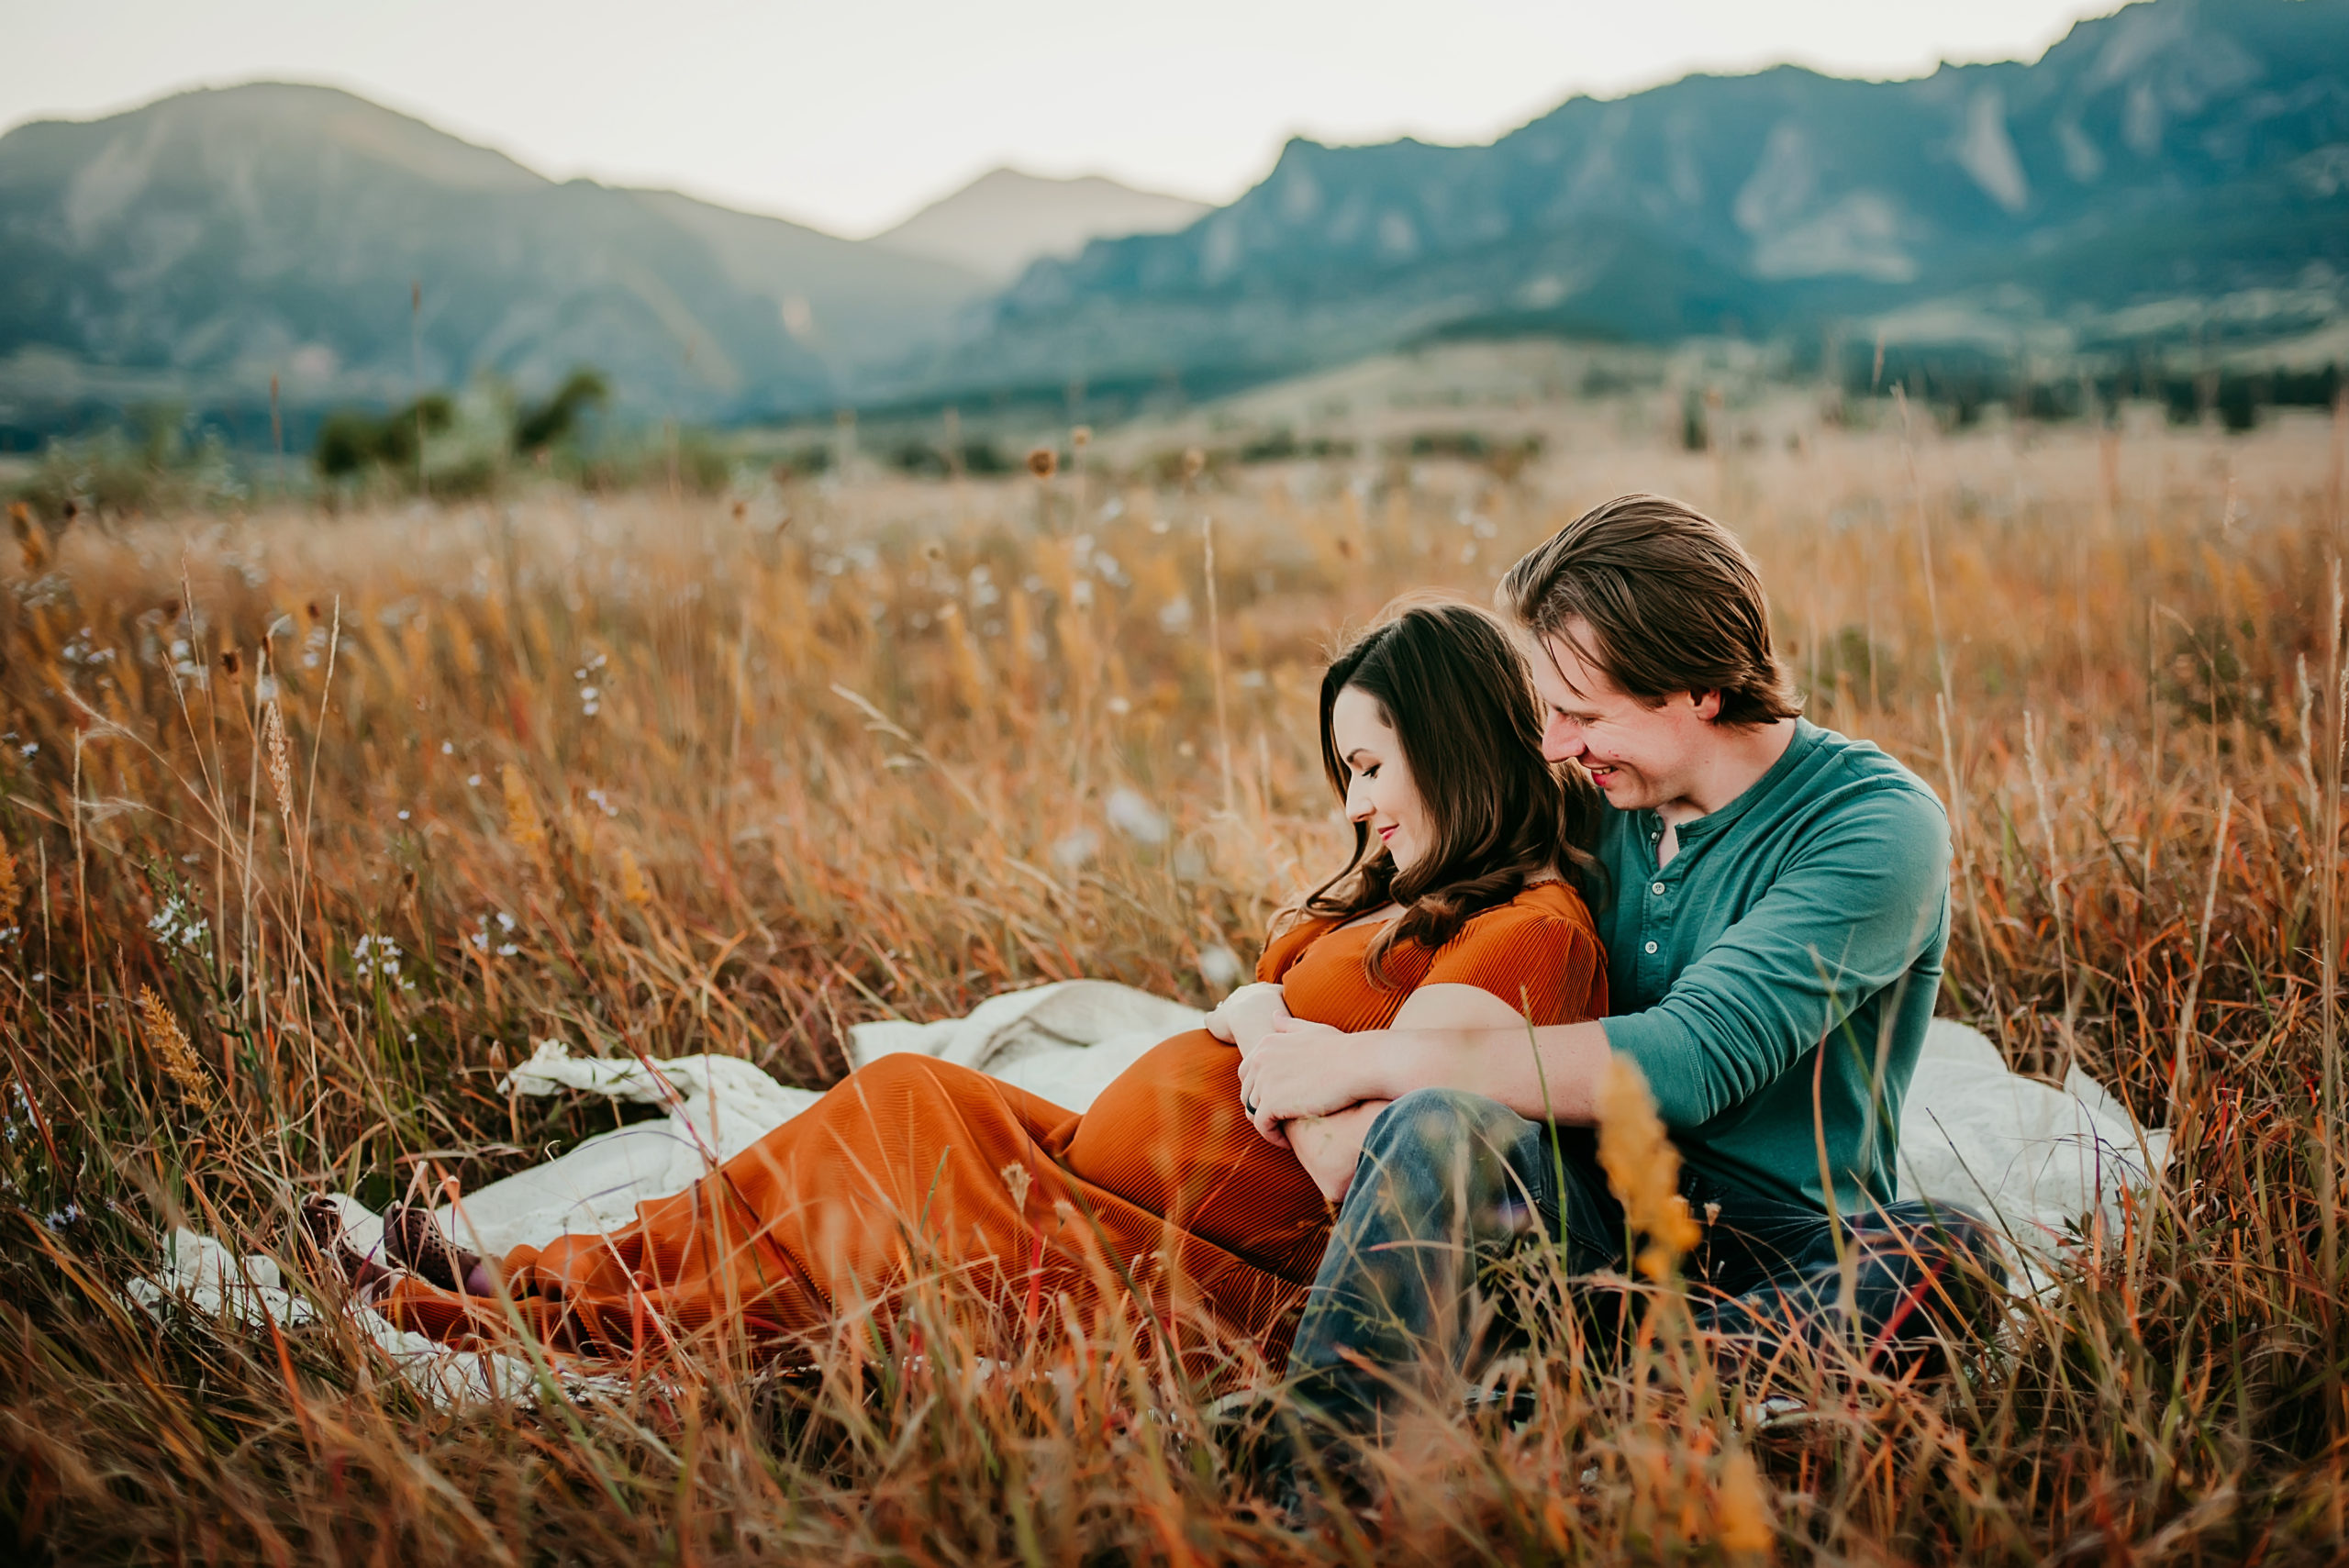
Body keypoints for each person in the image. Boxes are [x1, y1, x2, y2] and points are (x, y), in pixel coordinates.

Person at [323, 602, 1612, 1380]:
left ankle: (510, 1319)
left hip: (1198, 1278)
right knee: (889, 1114)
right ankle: (543, 1280)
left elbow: (1396, 1169)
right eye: (1344, 769)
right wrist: (1267, 1021)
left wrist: (1276, 1047)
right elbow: (1281, 1038)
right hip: (1109, 1189)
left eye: (1373, 763)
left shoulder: (1525, 928)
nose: (1357, 805)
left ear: (1454, 744)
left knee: (878, 1168)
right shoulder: (1411, 901)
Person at [1230, 495, 2005, 1440]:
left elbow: (1682, 1061)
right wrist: (1262, 1007)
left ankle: (1584, 1384)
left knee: (1946, 1255)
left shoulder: (1872, 826)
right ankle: (1315, 1474)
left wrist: (1367, 1061)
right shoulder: (1590, 797)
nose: (1554, 744)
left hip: (1778, 1247)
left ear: (1698, 689)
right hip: (1578, 1223)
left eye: (1582, 714)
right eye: (1548, 711)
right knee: (1437, 1123)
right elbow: (1418, 874)